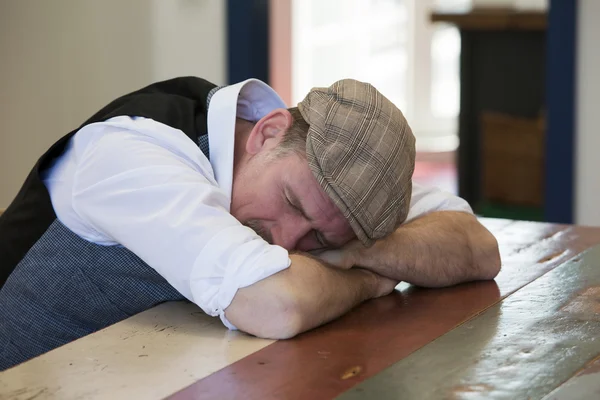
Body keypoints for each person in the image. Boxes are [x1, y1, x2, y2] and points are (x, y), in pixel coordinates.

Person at [0, 77, 500, 370]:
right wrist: (367, 282)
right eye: (293, 203)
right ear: (269, 131)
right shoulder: (133, 152)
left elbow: (478, 248)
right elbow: (276, 304)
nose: (287, 241)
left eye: (320, 237)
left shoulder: (307, 173)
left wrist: (355, 250)